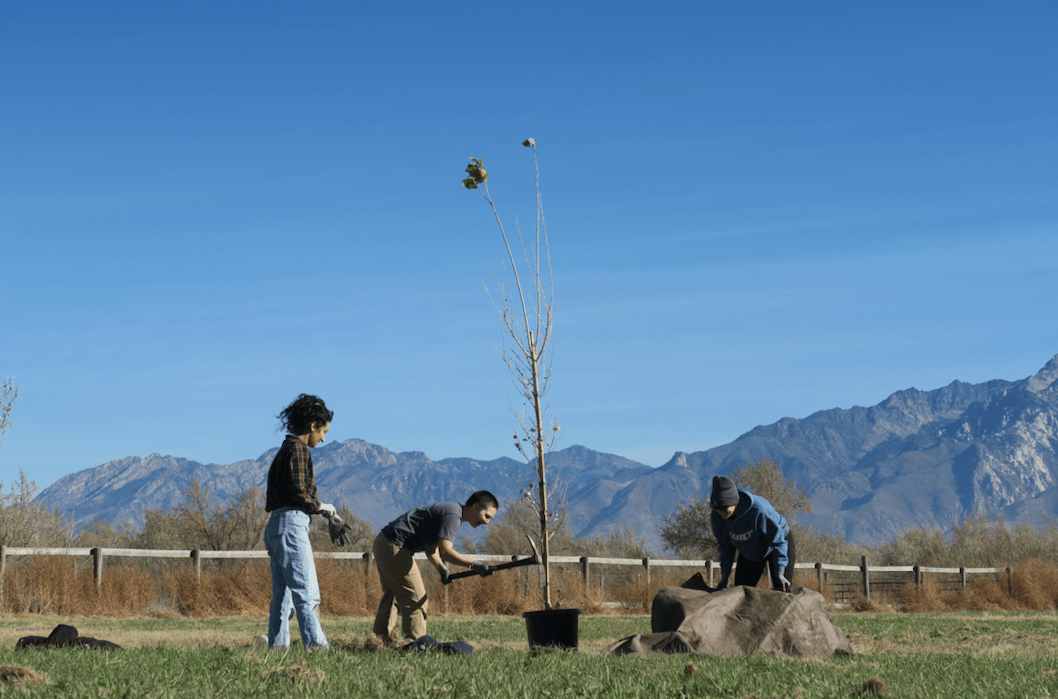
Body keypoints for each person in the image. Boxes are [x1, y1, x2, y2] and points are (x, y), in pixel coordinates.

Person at [263, 393, 343, 651]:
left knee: (282, 598)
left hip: (276, 526)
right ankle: (317, 648)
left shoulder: (284, 450)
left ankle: (277, 649)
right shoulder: (298, 449)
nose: (324, 438)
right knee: (307, 593)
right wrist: (323, 508)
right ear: (312, 426)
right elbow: (299, 492)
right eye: (324, 431)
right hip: (291, 525)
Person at [372, 490, 499, 645]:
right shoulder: (453, 515)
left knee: (392, 596)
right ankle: (415, 648)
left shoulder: (450, 511)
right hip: (395, 546)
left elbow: (432, 549)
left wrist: (441, 568)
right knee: (417, 601)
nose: (487, 522)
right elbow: (446, 551)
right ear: (475, 507)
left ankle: (378, 643)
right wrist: (474, 565)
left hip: (383, 543)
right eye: (486, 516)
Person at [709, 475, 796, 592]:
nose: (721, 512)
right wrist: (725, 575)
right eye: (718, 509)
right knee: (740, 592)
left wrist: (780, 573)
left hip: (778, 544)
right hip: (750, 549)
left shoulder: (758, 510)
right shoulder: (717, 518)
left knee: (782, 590)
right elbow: (725, 546)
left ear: (734, 502)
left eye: (725, 508)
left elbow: (778, 541)